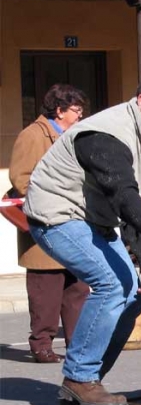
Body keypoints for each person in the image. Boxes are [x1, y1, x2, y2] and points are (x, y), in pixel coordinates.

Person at [22, 69, 141, 405]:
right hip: (56, 216)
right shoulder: (106, 134)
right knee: (111, 284)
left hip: (93, 219)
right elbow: (124, 195)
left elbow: (133, 202)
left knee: (133, 292)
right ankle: (79, 378)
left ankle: (88, 380)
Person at [9, 84, 90, 364]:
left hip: (75, 225)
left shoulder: (73, 135)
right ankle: (41, 345)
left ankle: (77, 344)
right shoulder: (32, 135)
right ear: (59, 110)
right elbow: (21, 179)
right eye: (76, 111)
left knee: (78, 289)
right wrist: (57, 197)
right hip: (45, 224)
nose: (80, 116)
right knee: (46, 293)